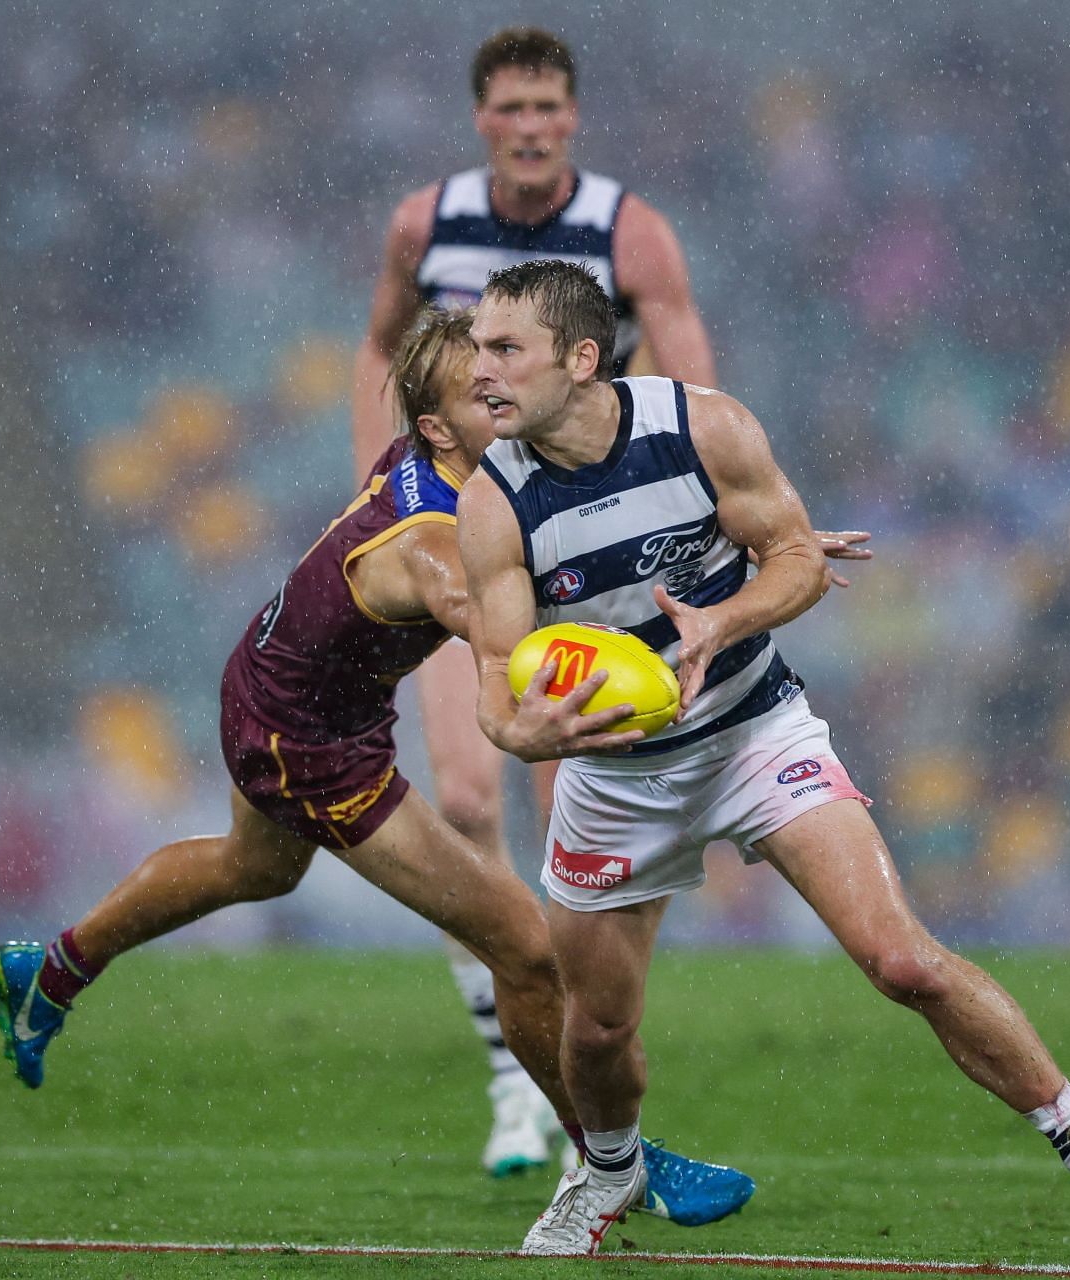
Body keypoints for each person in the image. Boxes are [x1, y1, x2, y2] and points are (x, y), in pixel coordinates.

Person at [454, 260, 1070, 1257]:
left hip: (757, 729)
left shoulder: (701, 427)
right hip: (615, 776)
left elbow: (798, 558)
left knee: (900, 958)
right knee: (595, 1032)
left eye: (505, 348)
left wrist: (725, 617)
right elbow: (498, 681)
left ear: (581, 358)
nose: (481, 368)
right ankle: (610, 1170)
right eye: (477, 347)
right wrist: (530, 734)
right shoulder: (496, 501)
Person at [0, 307, 755, 1229]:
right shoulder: (433, 545)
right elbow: (517, 636)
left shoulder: (466, 467)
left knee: (252, 868)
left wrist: (735, 547)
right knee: (525, 945)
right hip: (306, 742)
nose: (504, 392)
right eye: (481, 390)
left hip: (274, 686)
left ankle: (51, 973)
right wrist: (708, 592)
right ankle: (608, 1162)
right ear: (435, 429)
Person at [348, 25, 723, 1175]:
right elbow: (377, 351)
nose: (529, 127)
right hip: (463, 541)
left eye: (548, 107)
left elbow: (689, 377)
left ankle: (589, 1089)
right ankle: (516, 1079)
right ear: (481, 117)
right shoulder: (427, 221)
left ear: (573, 116)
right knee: (465, 798)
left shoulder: (627, 230)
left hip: (575, 551)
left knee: (577, 815)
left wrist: (692, 519)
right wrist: (385, 490)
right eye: (510, 107)